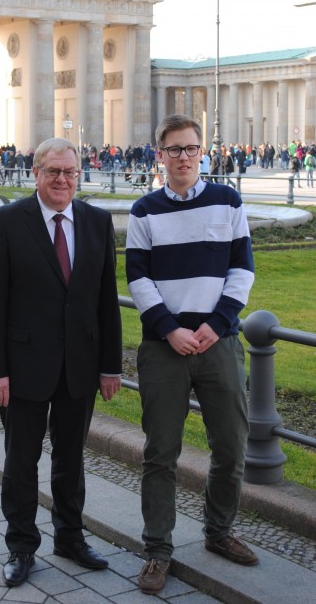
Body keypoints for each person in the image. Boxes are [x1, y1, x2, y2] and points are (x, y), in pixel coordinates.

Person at [0, 137, 122, 588]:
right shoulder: (7, 222)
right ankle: (21, 545)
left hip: (79, 365)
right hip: (22, 368)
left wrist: (110, 365)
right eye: (53, 172)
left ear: (80, 175)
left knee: (71, 458)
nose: (62, 180)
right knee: (21, 460)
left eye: (70, 173)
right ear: (35, 173)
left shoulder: (97, 222)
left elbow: (106, 302)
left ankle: (70, 537)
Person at [126, 114, 257, 595]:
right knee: (161, 453)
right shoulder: (144, 211)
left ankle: (218, 532)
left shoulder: (228, 201)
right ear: (159, 155)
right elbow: (138, 278)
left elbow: (242, 270)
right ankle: (158, 549)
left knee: (231, 447)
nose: (183, 156)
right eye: (174, 149)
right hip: (165, 348)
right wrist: (169, 329)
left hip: (218, 343)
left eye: (191, 148)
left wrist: (214, 324)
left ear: (202, 152)